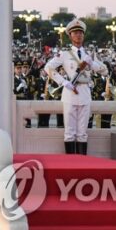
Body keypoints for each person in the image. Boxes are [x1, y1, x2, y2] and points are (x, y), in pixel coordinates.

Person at [45, 18, 107, 155]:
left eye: (80, 33)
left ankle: (82, 162)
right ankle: (70, 162)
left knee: (82, 132)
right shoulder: (64, 54)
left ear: (83, 35)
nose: (78, 35)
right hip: (70, 92)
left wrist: (92, 64)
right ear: (70, 36)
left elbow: (104, 71)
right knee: (69, 132)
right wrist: (63, 82)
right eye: (75, 33)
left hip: (85, 92)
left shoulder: (89, 55)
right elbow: (48, 67)